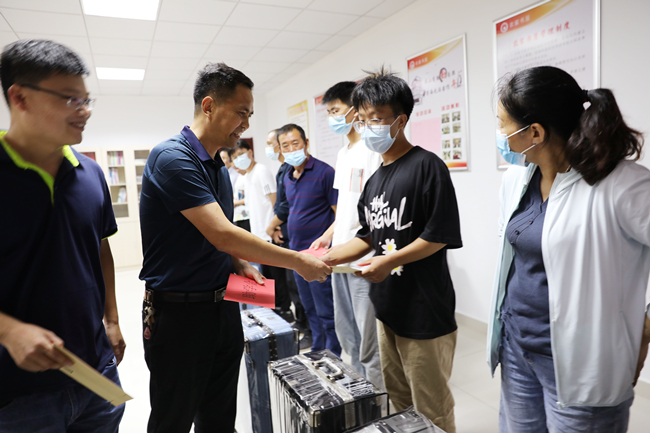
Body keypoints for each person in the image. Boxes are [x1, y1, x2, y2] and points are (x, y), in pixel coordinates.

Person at [138, 62, 331, 433]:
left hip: (223, 307)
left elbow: (218, 238)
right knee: (172, 420)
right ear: (209, 106)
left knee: (219, 417)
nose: (245, 124)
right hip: (179, 315)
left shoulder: (217, 166)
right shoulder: (172, 158)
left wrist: (238, 262)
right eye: (241, 112)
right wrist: (297, 261)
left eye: (250, 115)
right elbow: (222, 233)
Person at [488, 66, 650, 432]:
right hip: (517, 348)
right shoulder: (516, 180)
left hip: (583, 363)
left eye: (502, 125)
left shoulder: (620, 185)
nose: (499, 135)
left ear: (535, 132)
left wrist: (645, 328)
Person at [322, 69, 462, 433]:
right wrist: (328, 257)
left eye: (377, 119)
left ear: (400, 120)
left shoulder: (428, 167)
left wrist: (390, 261)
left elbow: (438, 236)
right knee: (399, 403)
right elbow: (368, 236)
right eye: (362, 119)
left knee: (431, 409)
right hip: (387, 309)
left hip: (424, 310)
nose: (368, 128)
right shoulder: (376, 179)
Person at [0, 40, 125, 432]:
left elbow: (100, 249)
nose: (85, 111)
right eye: (71, 99)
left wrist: (112, 320)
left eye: (86, 100)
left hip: (96, 374)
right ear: (20, 97)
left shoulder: (92, 175)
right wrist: (9, 330)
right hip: (18, 396)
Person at [310, 81, 384, 389]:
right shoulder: (344, 153)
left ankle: (378, 399)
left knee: (369, 341)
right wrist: (328, 234)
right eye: (329, 112)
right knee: (347, 333)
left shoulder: (372, 150)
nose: (332, 118)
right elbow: (345, 206)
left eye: (336, 110)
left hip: (363, 257)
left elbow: (376, 207)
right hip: (338, 256)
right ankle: (359, 391)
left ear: (355, 111)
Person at [278, 123, 341, 356]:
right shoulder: (287, 176)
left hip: (318, 255)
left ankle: (333, 352)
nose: (291, 149)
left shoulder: (325, 172)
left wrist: (326, 238)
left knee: (325, 308)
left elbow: (340, 215)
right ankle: (317, 348)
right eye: (285, 146)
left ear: (306, 143)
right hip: (296, 254)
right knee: (308, 307)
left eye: (295, 143)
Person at [232, 139, 293, 321]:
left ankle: (285, 312)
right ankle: (274, 315)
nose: (238, 159)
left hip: (269, 233)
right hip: (258, 235)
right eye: (235, 157)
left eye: (241, 154)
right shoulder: (247, 176)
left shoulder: (261, 171)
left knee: (278, 279)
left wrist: (275, 227)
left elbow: (275, 202)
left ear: (250, 152)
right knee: (267, 278)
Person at [265, 129, 311, 347]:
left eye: (271, 143)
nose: (270, 148)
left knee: (300, 286)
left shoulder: (300, 172)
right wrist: (275, 227)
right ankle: (301, 323)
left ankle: (308, 327)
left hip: (300, 237)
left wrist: (271, 226)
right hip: (286, 233)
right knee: (293, 284)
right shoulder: (285, 170)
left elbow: (285, 206)